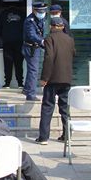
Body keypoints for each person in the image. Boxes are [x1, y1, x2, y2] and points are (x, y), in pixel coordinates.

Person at [35, 17, 76, 145]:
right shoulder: (70, 39)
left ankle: (43, 137)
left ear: (51, 26)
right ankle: (66, 135)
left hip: (52, 79)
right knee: (64, 108)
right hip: (66, 78)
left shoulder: (49, 38)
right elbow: (73, 54)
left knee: (47, 107)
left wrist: (44, 78)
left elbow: (49, 58)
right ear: (62, 26)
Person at [22, 2, 48, 101]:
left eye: (43, 11)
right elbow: (31, 35)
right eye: (40, 12)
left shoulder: (40, 19)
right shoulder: (30, 21)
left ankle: (27, 89)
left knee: (32, 70)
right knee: (33, 71)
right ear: (34, 10)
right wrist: (42, 41)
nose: (42, 13)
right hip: (30, 48)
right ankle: (31, 95)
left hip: (36, 47)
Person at [0, 5, 24, 88]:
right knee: (19, 63)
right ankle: (20, 83)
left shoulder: (3, 13)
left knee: (7, 63)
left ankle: (7, 83)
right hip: (19, 41)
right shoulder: (22, 14)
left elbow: (0, 27)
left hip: (7, 41)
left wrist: (3, 37)